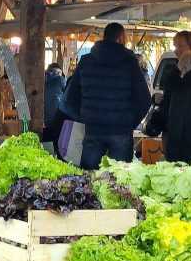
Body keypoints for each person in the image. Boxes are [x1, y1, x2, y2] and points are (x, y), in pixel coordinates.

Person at [63, 22, 151, 169]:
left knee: (90, 181)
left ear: (104, 37)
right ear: (121, 38)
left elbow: (69, 99)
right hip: (121, 130)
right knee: (119, 182)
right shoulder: (129, 63)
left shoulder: (86, 62)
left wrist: (85, 117)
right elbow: (145, 99)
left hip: (92, 130)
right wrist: (130, 122)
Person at [42, 63, 66, 142]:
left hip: (43, 119)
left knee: (46, 140)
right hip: (57, 117)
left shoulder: (43, 79)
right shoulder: (60, 79)